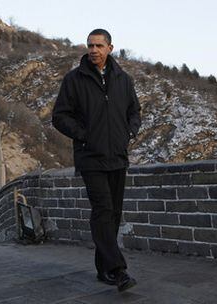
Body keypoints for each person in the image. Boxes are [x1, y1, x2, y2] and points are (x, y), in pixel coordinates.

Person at [52, 29, 141, 292]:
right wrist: (84, 135)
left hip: (117, 157)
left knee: (113, 215)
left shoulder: (124, 80)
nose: (93, 50)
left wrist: (130, 131)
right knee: (102, 210)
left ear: (110, 48)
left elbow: (134, 110)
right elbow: (59, 116)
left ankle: (104, 269)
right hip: (90, 157)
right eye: (90, 45)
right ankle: (118, 270)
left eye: (99, 45)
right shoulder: (74, 79)